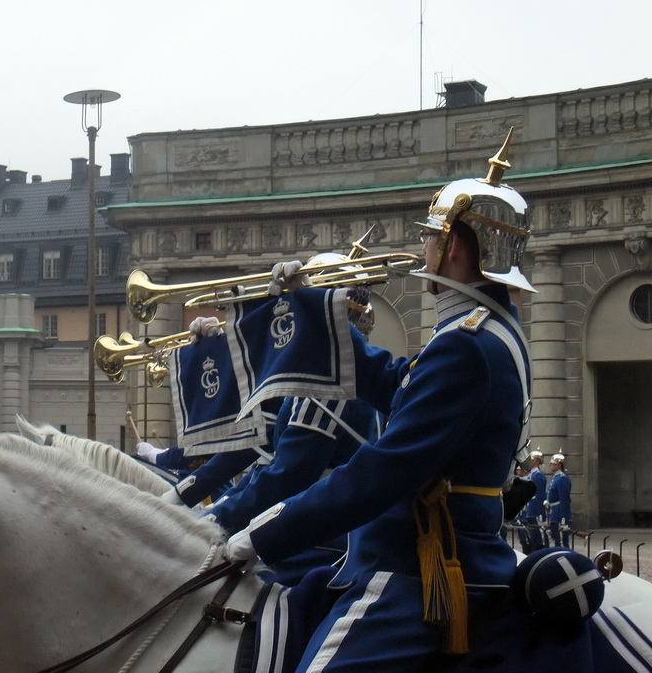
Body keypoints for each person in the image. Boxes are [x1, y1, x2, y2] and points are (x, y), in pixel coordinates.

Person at [225, 131, 535, 671]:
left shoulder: (466, 344)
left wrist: (267, 531)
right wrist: (311, 310)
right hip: (419, 548)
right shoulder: (483, 333)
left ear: (454, 247)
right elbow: (399, 383)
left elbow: (384, 468)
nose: (423, 249)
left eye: (429, 237)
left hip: (420, 563)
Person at [519, 448, 547, 553]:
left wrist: (540, 513)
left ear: (536, 461)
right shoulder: (532, 475)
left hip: (535, 511)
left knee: (538, 540)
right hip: (530, 509)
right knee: (532, 538)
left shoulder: (538, 475)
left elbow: (540, 496)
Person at [546, 451, 573, 548]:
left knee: (561, 542)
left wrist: (563, 519)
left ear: (559, 465)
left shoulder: (562, 478)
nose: (550, 465)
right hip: (554, 512)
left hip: (560, 514)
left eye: (553, 464)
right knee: (556, 540)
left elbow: (564, 500)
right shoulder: (556, 477)